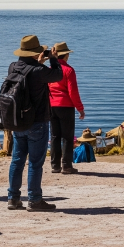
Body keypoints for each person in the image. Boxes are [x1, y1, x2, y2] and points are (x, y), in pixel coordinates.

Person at [6, 35, 63, 212]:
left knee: (17, 161)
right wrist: (53, 59)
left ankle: (13, 198)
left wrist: (37, 61)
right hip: (36, 122)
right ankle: (34, 200)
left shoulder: (13, 67)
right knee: (35, 163)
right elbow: (58, 75)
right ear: (35, 52)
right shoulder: (39, 70)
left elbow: (27, 74)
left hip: (18, 122)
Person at [48, 41, 85, 174]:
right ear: (66, 55)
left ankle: (55, 165)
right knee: (67, 137)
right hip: (66, 106)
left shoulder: (50, 70)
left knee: (55, 136)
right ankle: (67, 166)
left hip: (51, 106)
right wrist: (80, 108)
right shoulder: (69, 70)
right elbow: (73, 92)